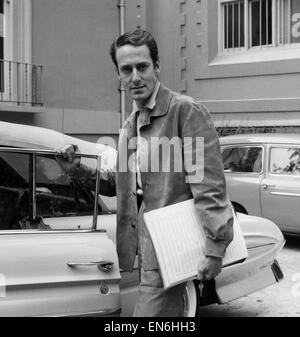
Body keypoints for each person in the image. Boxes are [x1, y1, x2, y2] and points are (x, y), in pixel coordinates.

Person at [56, 29, 233, 317]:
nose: (135, 76)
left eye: (142, 67)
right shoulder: (130, 125)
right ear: (119, 75)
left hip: (175, 244)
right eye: (127, 69)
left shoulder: (185, 112)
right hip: (146, 248)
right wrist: (78, 170)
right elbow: (123, 185)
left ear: (157, 67)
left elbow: (209, 185)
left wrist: (215, 248)